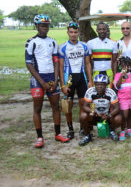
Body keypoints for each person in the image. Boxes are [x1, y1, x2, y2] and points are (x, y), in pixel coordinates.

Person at [25, 14, 70, 148]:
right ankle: (40, 137)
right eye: (42, 25)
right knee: (37, 108)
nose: (45, 28)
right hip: (38, 80)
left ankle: (57, 134)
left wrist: (55, 79)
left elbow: (56, 62)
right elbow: (29, 64)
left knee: (56, 107)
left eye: (47, 25)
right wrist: (42, 82)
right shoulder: (31, 42)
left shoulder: (53, 42)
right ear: (37, 26)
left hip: (51, 78)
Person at [58, 22, 93, 139]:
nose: (73, 34)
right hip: (70, 78)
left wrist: (90, 81)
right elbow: (61, 67)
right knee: (68, 105)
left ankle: (83, 128)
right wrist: (62, 84)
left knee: (83, 104)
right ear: (67, 32)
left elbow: (88, 63)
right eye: (71, 32)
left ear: (78, 32)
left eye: (75, 32)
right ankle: (70, 129)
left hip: (82, 77)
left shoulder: (84, 46)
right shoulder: (62, 47)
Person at [79, 74, 121, 146]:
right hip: (94, 115)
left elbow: (117, 108)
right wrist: (93, 112)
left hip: (106, 116)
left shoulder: (111, 92)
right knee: (83, 115)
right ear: (95, 84)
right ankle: (87, 135)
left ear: (106, 85)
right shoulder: (90, 91)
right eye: (97, 84)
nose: (100, 86)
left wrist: (109, 115)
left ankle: (111, 130)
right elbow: (85, 106)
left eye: (102, 84)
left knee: (119, 118)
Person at [113, 56, 131, 140]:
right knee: (125, 114)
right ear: (120, 66)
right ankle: (122, 130)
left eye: (127, 65)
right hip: (122, 99)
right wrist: (122, 76)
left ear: (130, 66)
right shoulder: (117, 75)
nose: (126, 68)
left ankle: (129, 129)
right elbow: (117, 86)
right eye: (123, 66)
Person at [87, 22, 118, 87]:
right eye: (100, 29)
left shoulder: (113, 43)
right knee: (97, 94)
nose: (102, 31)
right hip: (96, 72)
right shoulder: (90, 43)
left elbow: (115, 62)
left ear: (107, 30)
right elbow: (88, 63)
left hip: (109, 73)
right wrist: (90, 80)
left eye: (104, 29)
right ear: (97, 30)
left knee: (109, 94)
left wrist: (115, 77)